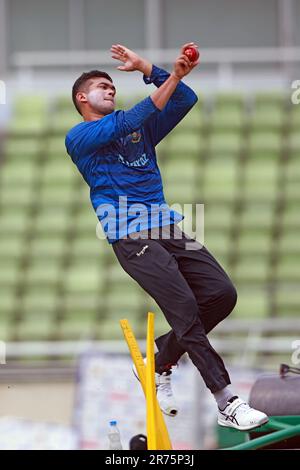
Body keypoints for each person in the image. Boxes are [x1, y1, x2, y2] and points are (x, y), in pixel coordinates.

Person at [65, 43, 268, 431]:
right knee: (184, 306)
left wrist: (147, 67)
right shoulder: (80, 137)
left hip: (167, 226)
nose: (110, 89)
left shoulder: (138, 129)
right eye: (101, 86)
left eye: (112, 85)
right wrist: (170, 75)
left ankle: (160, 362)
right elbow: (131, 118)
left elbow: (185, 99)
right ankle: (227, 400)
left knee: (222, 294)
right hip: (129, 235)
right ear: (82, 98)